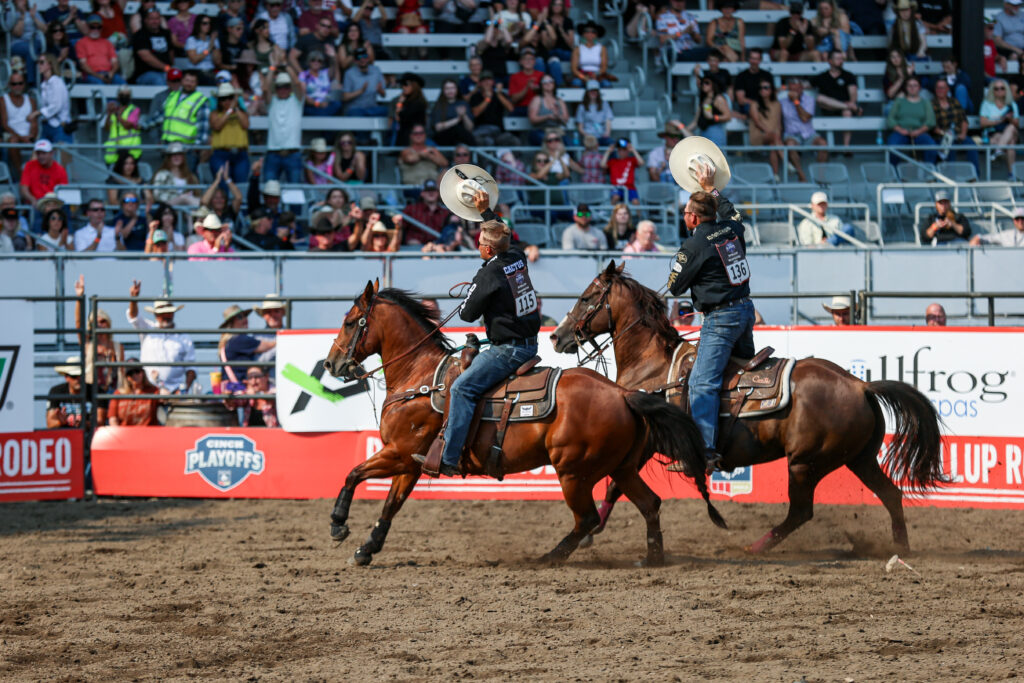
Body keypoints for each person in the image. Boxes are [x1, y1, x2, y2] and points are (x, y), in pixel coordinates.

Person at [411, 190, 540, 477]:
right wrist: (485, 212)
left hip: (509, 350)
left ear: (489, 250)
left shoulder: (488, 274)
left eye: (480, 243)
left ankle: (449, 457)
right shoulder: (516, 255)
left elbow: (467, 314)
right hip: (528, 343)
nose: (478, 245)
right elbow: (503, 234)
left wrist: (475, 289)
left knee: (461, 388)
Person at [666, 162, 754, 473]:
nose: (684, 216)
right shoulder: (732, 229)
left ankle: (704, 451)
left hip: (721, 319)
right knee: (743, 375)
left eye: (685, 212)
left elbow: (675, 287)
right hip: (745, 311)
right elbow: (733, 214)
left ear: (692, 218)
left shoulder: (693, 245)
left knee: (702, 383)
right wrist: (711, 189)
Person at [127, 281, 196, 393]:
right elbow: (133, 316)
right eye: (162, 313)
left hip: (175, 391)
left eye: (169, 313)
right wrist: (133, 298)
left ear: (173, 314)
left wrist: (184, 390)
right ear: (156, 315)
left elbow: (191, 368)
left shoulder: (184, 337)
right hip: (149, 390)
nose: (166, 316)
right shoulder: (147, 328)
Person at [263, 67, 306, 183]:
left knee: (295, 190)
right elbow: (265, 88)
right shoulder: (271, 101)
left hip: (293, 153)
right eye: (279, 86)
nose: (283, 89)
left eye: (286, 86)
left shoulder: (297, 101)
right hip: (273, 153)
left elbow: (297, 83)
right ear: (275, 88)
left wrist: (286, 65)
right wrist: (273, 67)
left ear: (290, 88)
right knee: (269, 189)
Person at [218, 304, 276, 389]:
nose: (245, 319)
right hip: (239, 388)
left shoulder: (229, 341)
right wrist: (283, 338)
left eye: (245, 315)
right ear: (231, 323)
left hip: (232, 387)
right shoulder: (239, 339)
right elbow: (268, 346)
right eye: (240, 317)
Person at [780, 77, 827, 181]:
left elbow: (805, 118)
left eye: (797, 89)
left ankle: (820, 177)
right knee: (790, 145)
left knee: (823, 144)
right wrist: (781, 88)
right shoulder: (782, 102)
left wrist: (796, 102)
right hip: (792, 135)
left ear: (801, 88)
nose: (794, 92)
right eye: (792, 89)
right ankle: (801, 176)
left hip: (809, 134)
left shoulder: (809, 100)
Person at [812, 50, 859, 151]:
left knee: (847, 112)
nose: (840, 61)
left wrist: (852, 103)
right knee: (820, 98)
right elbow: (806, 85)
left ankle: (846, 148)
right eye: (837, 59)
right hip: (828, 108)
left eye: (842, 59)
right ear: (830, 61)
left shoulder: (848, 75)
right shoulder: (822, 77)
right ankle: (849, 107)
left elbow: (853, 93)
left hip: (843, 109)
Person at [30, 54, 72, 165]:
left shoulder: (57, 82)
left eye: (42, 62)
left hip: (59, 126)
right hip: (48, 125)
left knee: (61, 163)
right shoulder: (45, 84)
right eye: (38, 62)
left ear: (50, 65)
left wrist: (38, 113)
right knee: (36, 157)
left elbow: (56, 106)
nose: (39, 65)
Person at [931, 79, 979, 172]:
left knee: (971, 144)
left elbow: (964, 120)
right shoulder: (931, 104)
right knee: (950, 143)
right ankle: (951, 175)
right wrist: (946, 134)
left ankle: (974, 174)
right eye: (938, 88)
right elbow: (932, 126)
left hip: (958, 134)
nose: (940, 90)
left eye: (942, 88)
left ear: (947, 89)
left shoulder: (954, 101)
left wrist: (963, 134)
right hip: (941, 136)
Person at [209, 83, 250, 183]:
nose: (227, 101)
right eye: (223, 98)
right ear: (219, 100)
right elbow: (217, 126)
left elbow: (246, 125)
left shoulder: (242, 112)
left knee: (240, 187)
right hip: (221, 154)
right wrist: (229, 110)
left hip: (240, 155)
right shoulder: (214, 114)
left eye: (230, 98)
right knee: (223, 186)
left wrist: (236, 108)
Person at [979, 79, 1019, 180]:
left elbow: (1016, 124)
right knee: (1010, 143)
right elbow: (982, 123)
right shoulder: (986, 104)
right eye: (996, 89)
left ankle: (998, 150)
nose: (999, 91)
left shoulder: (1012, 105)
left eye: (1002, 88)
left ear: (1006, 90)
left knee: (1011, 127)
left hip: (1010, 131)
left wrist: (1009, 119)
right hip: (994, 132)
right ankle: (1012, 174)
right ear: (992, 91)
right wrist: (999, 121)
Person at [1, 72, 38, 179]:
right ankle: (21, 174)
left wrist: (31, 136)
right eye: (14, 84)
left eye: (20, 83)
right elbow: (4, 124)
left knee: (40, 145)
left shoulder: (31, 101)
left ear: (24, 84)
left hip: (28, 135)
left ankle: (33, 175)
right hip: (11, 134)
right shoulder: (3, 100)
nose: (17, 86)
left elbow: (34, 123)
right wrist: (21, 138)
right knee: (13, 141)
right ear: (9, 85)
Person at [107, 358, 162, 426]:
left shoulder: (154, 391)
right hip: (125, 431)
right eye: (130, 373)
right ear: (127, 377)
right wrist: (118, 432)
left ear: (143, 373)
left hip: (147, 431)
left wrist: (162, 387)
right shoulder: (118, 393)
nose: (134, 375)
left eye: (137, 371)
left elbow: (164, 399)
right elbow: (113, 418)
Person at [748, 81, 783, 181]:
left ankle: (775, 175)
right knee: (774, 137)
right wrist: (772, 133)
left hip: (773, 137)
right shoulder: (754, 104)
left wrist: (777, 134)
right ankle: (786, 161)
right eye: (760, 88)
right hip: (758, 136)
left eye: (766, 87)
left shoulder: (777, 104)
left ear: (771, 90)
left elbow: (779, 123)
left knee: (773, 145)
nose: (762, 90)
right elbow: (757, 123)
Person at [469, 71, 516, 146]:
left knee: (513, 140)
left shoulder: (500, 95)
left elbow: (511, 109)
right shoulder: (475, 97)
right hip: (481, 129)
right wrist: (488, 99)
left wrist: (498, 94)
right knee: (483, 140)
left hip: (498, 130)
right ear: (479, 83)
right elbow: (475, 113)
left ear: (493, 82)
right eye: (484, 80)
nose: (487, 82)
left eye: (489, 79)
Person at [132, 7, 175, 85]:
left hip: (166, 71)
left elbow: (171, 52)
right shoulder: (140, 35)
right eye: (151, 19)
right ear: (145, 20)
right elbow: (145, 56)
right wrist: (166, 68)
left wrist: (170, 68)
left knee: (179, 77)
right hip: (145, 73)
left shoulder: (166, 33)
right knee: (159, 80)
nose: (154, 21)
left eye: (157, 18)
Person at [403, 179, 452, 245]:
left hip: (438, 247)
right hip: (415, 247)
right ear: (422, 193)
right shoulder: (411, 209)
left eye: (433, 190)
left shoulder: (445, 213)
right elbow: (400, 227)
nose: (431, 193)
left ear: (438, 193)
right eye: (427, 190)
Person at [685, 76, 731, 148]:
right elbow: (695, 122)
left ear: (713, 84)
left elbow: (728, 116)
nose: (704, 85)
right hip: (704, 133)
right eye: (702, 83)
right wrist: (683, 129)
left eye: (707, 83)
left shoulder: (718, 98)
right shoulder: (704, 100)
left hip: (715, 132)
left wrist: (714, 117)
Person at [77, 13, 123, 84]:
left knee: (123, 85)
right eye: (92, 27)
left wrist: (111, 73)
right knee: (99, 84)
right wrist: (99, 76)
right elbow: (83, 65)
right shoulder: (81, 43)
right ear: (87, 27)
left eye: (99, 27)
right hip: (92, 75)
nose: (96, 29)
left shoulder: (107, 43)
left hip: (109, 74)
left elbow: (115, 62)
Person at [341, 48, 387, 118]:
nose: (362, 59)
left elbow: (384, 95)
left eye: (365, 56)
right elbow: (345, 97)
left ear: (368, 58)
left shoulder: (376, 70)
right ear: (355, 61)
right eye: (359, 57)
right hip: (356, 109)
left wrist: (380, 91)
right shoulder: (349, 73)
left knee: (388, 111)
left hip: (372, 108)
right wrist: (361, 91)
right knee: (354, 113)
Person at [103, 87, 143, 167]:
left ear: (130, 97)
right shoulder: (114, 109)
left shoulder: (134, 110)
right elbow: (107, 128)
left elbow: (128, 125)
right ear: (118, 96)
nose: (124, 97)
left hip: (130, 151)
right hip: (114, 151)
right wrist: (109, 114)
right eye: (122, 95)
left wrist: (118, 116)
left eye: (127, 95)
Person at [19, 139, 68, 204]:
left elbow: (63, 192)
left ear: (51, 153)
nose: (40, 156)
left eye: (44, 153)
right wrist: (32, 199)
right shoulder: (29, 166)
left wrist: (52, 203)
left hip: (52, 203)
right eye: (38, 153)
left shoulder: (60, 169)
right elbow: (24, 189)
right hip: (34, 204)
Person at [430, 78, 476, 146]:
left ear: (457, 89)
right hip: (443, 137)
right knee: (456, 129)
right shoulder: (439, 105)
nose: (450, 91)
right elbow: (438, 128)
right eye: (447, 88)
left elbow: (470, 128)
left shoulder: (463, 104)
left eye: (452, 88)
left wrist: (464, 116)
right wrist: (457, 119)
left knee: (461, 132)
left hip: (461, 137)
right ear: (443, 91)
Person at [46, 357, 90, 429]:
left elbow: (100, 422)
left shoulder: (95, 391)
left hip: (89, 434)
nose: (78, 379)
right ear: (66, 377)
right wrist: (61, 422)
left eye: (81, 376)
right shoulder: (56, 391)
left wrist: (84, 424)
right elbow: (50, 424)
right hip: (64, 434)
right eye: (74, 376)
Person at [153, 142, 200, 206]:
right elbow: (157, 195)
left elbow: (196, 193)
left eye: (179, 154)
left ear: (183, 157)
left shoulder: (189, 175)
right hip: (167, 206)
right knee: (184, 198)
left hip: (186, 206)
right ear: (169, 158)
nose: (176, 157)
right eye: (173, 155)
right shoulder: (161, 174)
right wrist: (179, 197)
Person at [732, 48, 773, 121]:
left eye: (756, 59)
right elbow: (741, 100)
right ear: (749, 59)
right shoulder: (741, 76)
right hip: (748, 107)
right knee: (753, 108)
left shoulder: (767, 75)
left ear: (760, 60)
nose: (754, 61)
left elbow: (772, 94)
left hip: (765, 105)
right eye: (752, 58)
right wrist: (756, 104)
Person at [601, 138, 643, 205]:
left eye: (624, 150)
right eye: (620, 150)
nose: (622, 152)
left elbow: (641, 162)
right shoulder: (613, 161)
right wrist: (608, 151)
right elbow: (602, 165)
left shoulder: (631, 160)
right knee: (615, 197)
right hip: (616, 187)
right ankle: (612, 211)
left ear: (628, 151)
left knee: (636, 202)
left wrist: (633, 150)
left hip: (630, 187)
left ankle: (639, 213)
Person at [391, 72, 428, 147]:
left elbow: (399, 117)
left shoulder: (418, 103)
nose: (403, 87)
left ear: (414, 86)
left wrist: (400, 103)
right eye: (402, 85)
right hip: (404, 136)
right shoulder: (406, 100)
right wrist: (400, 103)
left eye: (406, 84)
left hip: (413, 137)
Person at [570, 20, 611, 87]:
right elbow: (574, 69)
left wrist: (596, 74)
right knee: (576, 83)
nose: (590, 33)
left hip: (598, 75)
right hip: (582, 75)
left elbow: (604, 67)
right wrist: (583, 77)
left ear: (597, 34)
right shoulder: (577, 49)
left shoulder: (602, 48)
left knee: (606, 84)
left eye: (593, 32)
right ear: (583, 34)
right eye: (586, 31)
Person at [575, 80, 613, 146]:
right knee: (589, 145)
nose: (593, 92)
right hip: (588, 136)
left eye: (595, 90)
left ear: (598, 92)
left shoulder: (605, 104)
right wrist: (587, 135)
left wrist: (607, 133)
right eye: (591, 90)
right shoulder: (582, 106)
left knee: (612, 144)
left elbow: (608, 120)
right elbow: (580, 127)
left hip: (602, 136)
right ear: (587, 92)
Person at [509, 47, 545, 114]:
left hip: (539, 107)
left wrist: (537, 90)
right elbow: (513, 100)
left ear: (535, 62)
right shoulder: (514, 77)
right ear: (520, 62)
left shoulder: (541, 75)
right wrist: (527, 87)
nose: (528, 61)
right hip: (521, 107)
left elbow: (548, 95)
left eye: (531, 59)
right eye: (525, 59)